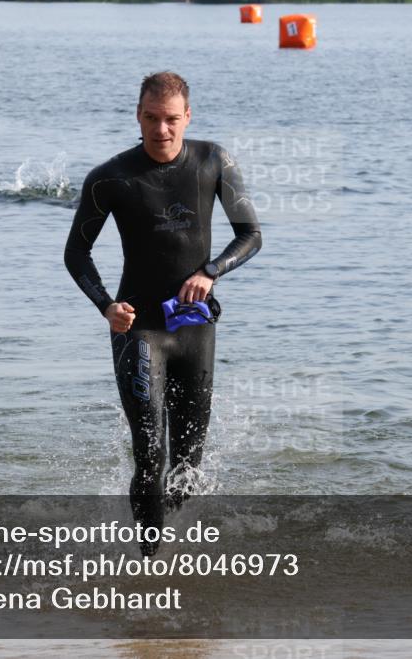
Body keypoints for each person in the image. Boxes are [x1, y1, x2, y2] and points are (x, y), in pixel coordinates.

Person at [64, 72, 261, 554]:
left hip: (194, 329)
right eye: (151, 118)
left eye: (172, 119)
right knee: (149, 452)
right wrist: (106, 305)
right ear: (138, 115)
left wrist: (211, 272)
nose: (162, 130)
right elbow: (76, 254)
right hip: (139, 329)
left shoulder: (213, 160)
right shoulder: (110, 178)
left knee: (188, 462)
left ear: (187, 117)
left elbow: (251, 235)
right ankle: (150, 563)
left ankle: (174, 546)